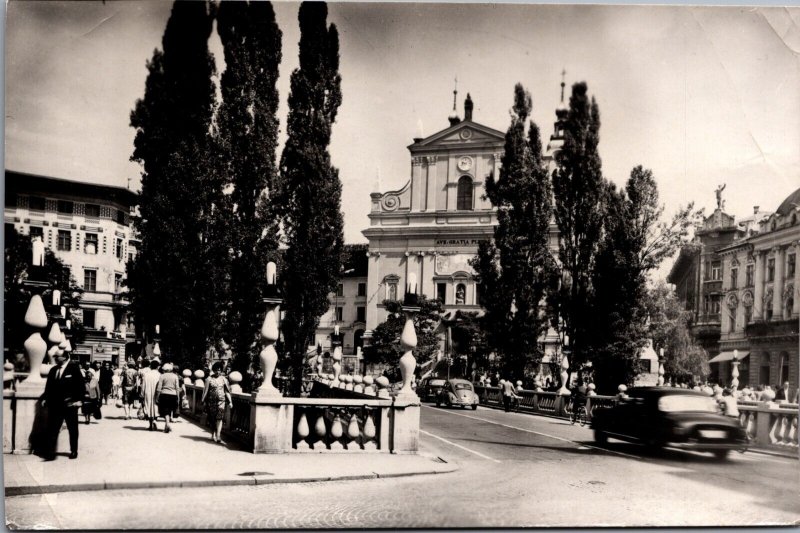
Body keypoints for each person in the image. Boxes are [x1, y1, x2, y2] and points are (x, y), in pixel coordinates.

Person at [42, 351, 85, 460]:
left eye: (57, 356)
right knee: (53, 429)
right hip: (55, 406)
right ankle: (51, 452)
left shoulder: (74, 368)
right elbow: (48, 387)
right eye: (55, 356)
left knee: (72, 429)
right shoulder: (53, 370)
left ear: (65, 357)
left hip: (70, 404)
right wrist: (45, 399)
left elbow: (81, 386)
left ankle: (74, 451)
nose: (55, 358)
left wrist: (80, 400)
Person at [201, 361, 232, 444]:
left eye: (219, 370)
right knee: (212, 419)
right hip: (211, 402)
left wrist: (230, 402)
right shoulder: (209, 379)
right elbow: (205, 391)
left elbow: (227, 391)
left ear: (221, 370)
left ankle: (218, 435)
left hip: (221, 401)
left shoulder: (224, 379)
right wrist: (203, 401)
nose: (218, 371)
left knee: (219, 418)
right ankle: (212, 434)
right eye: (216, 370)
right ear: (214, 370)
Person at [155, 363, 181, 433]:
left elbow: (159, 388)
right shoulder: (175, 376)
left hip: (164, 394)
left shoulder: (162, 376)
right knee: (170, 410)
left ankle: (167, 424)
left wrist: (157, 397)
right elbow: (177, 388)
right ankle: (167, 425)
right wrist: (178, 397)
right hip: (173, 395)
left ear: (164, 369)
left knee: (165, 410)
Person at [140, 359, 161, 431]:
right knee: (156, 407)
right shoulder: (159, 375)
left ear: (150, 366)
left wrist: (142, 394)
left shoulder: (146, 375)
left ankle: (150, 424)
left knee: (148, 407)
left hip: (147, 392)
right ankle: (155, 420)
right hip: (157, 393)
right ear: (158, 367)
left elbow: (143, 385)